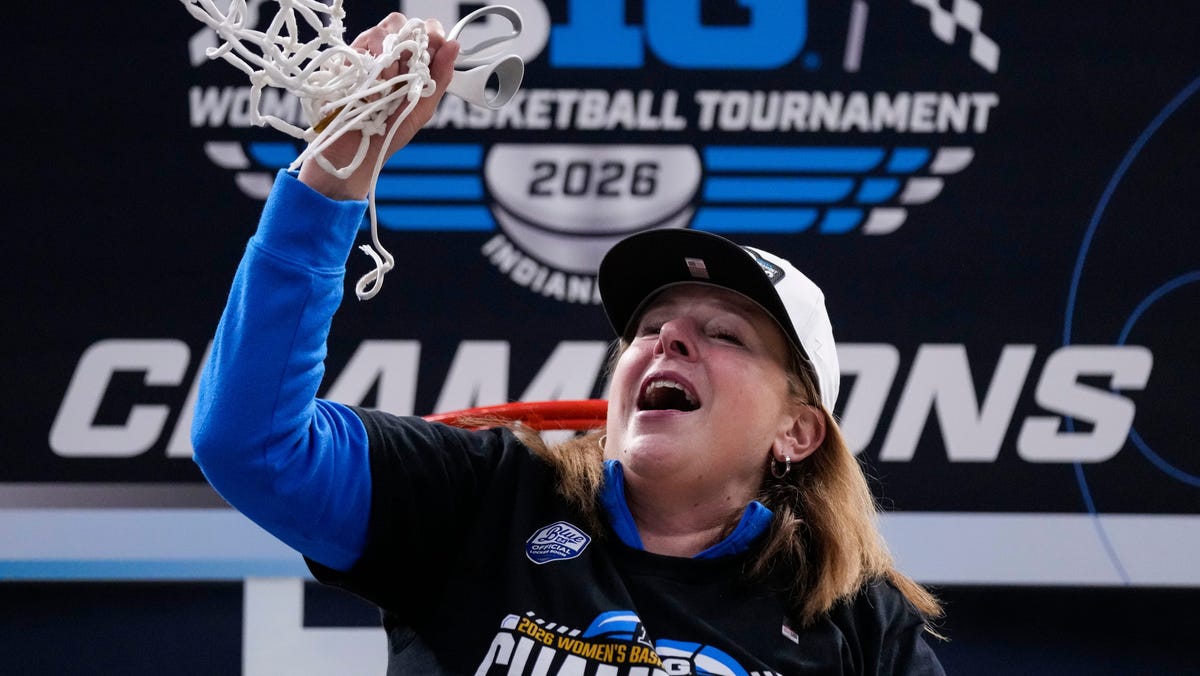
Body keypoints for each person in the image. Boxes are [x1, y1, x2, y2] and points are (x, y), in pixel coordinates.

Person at [191, 12, 946, 675]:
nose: (670, 339)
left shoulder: (858, 623)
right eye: (649, 329)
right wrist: (334, 173)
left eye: (724, 334)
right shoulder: (483, 499)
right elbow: (250, 444)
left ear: (799, 430)